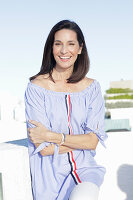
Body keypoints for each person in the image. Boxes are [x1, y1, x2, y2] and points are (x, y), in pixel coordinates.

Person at [24, 19, 108, 200]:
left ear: (80, 48)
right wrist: (79, 141)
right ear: (51, 48)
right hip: (49, 177)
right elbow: (43, 148)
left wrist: (51, 136)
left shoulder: (92, 88)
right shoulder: (36, 88)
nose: (64, 51)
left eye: (71, 44)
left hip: (85, 170)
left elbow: (92, 142)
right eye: (58, 44)